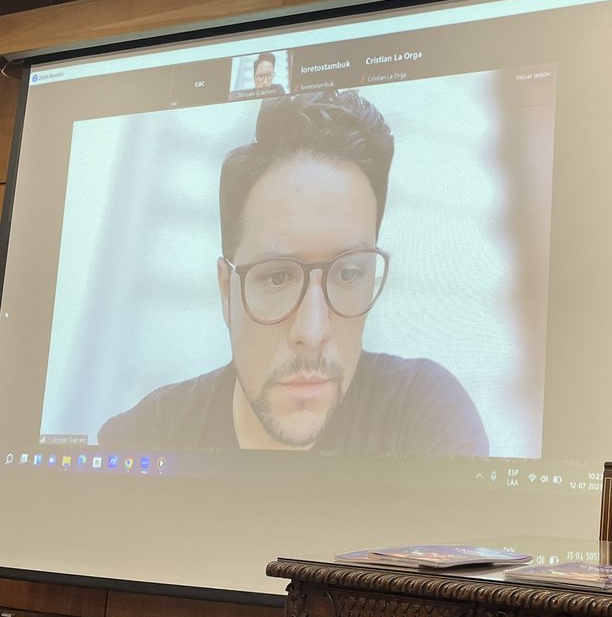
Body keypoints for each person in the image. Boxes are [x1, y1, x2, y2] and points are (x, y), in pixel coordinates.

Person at [99, 90, 488, 456]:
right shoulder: (148, 437)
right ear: (225, 291)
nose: (313, 332)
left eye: (349, 273)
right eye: (277, 278)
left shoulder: (421, 416)